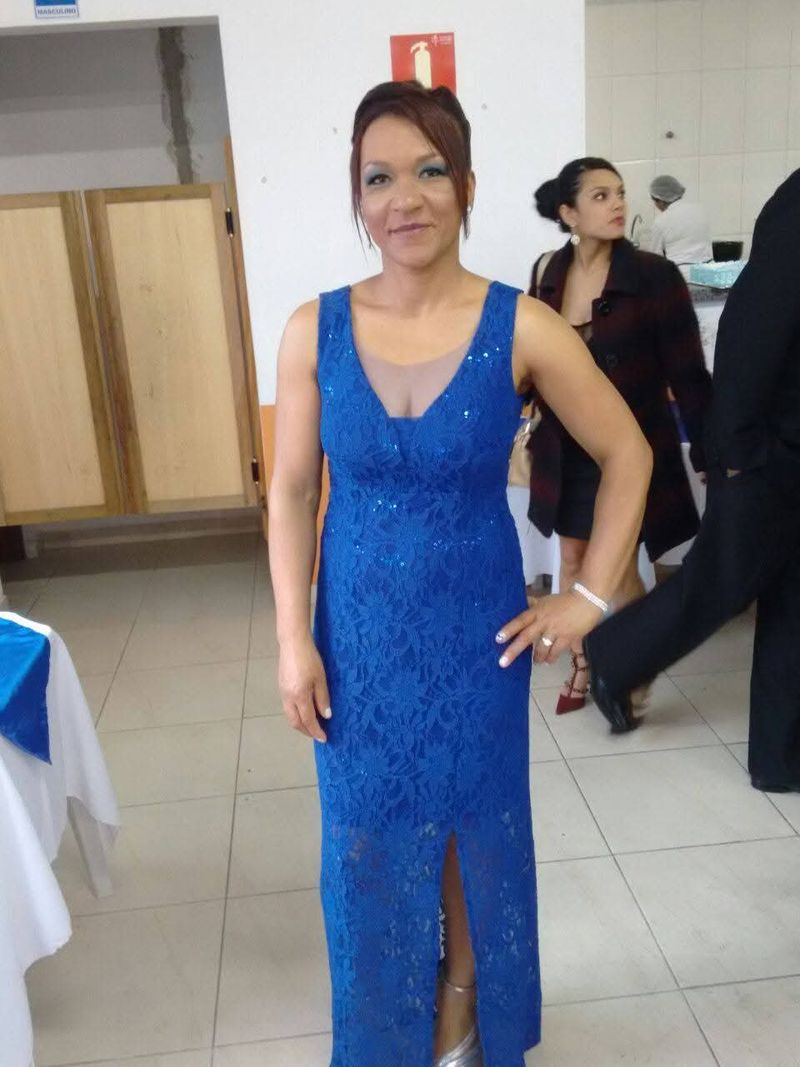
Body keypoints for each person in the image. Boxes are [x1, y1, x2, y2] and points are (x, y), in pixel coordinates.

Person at [268, 82, 651, 1067]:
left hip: (475, 635)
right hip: (354, 637)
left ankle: (462, 1005)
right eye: (379, 177)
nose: (405, 198)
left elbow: (629, 452)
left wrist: (589, 597)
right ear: (357, 197)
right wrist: (292, 638)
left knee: (472, 831)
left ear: (467, 185)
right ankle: (378, 1026)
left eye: (430, 171)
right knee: (363, 836)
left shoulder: (521, 326)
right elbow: (293, 489)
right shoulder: (313, 329)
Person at [586, 169, 800, 793]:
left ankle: (780, 759)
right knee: (720, 581)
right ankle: (613, 654)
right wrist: (733, 445)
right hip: (769, 445)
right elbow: (752, 327)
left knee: (790, 603)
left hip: (781, 440)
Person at [529, 158, 712, 715]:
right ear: (568, 213)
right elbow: (529, 361)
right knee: (573, 559)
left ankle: (631, 665)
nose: (617, 205)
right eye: (601, 196)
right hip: (564, 449)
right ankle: (586, 662)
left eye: (620, 193)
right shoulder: (547, 272)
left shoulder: (654, 276)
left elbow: (687, 371)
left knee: (617, 567)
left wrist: (709, 447)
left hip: (628, 449)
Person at [639, 174, 713, 271]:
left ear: (660, 200)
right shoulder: (699, 210)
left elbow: (655, 259)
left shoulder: (660, 221)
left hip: (681, 274)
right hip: (708, 271)